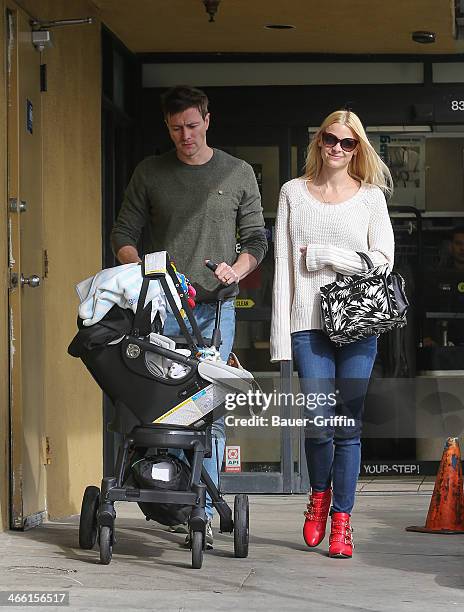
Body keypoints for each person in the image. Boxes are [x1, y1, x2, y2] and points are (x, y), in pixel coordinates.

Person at [111, 85, 267, 547]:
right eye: (177, 128)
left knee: (208, 411)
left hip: (215, 310)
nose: (186, 135)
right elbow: (124, 231)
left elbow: (257, 240)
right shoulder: (150, 171)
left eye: (193, 126)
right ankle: (165, 498)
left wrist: (233, 270)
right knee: (158, 405)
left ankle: (199, 503)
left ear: (207, 120)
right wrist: (141, 271)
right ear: (167, 126)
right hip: (162, 309)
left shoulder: (237, 172)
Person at [270, 110, 394, 558]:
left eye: (348, 143)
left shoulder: (371, 198)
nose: (338, 148)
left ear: (358, 149)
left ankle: (342, 519)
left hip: (358, 326)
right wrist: (281, 337)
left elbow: (383, 261)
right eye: (330, 139)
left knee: (348, 427)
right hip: (308, 326)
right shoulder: (292, 194)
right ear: (318, 142)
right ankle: (318, 496)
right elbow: (284, 267)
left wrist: (326, 255)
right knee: (320, 424)